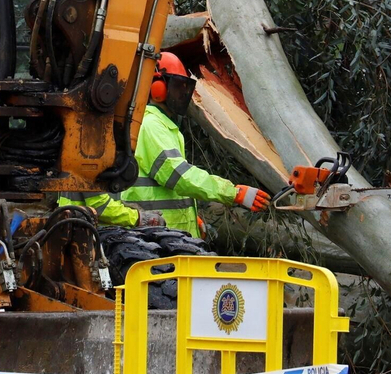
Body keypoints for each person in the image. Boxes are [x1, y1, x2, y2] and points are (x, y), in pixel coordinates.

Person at [62, 52, 269, 237]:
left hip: (163, 232)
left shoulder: (157, 123)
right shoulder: (151, 123)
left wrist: (190, 219)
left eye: (184, 88)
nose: (182, 95)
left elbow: (168, 187)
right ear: (157, 87)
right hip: (155, 235)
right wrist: (232, 192)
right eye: (177, 87)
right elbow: (177, 175)